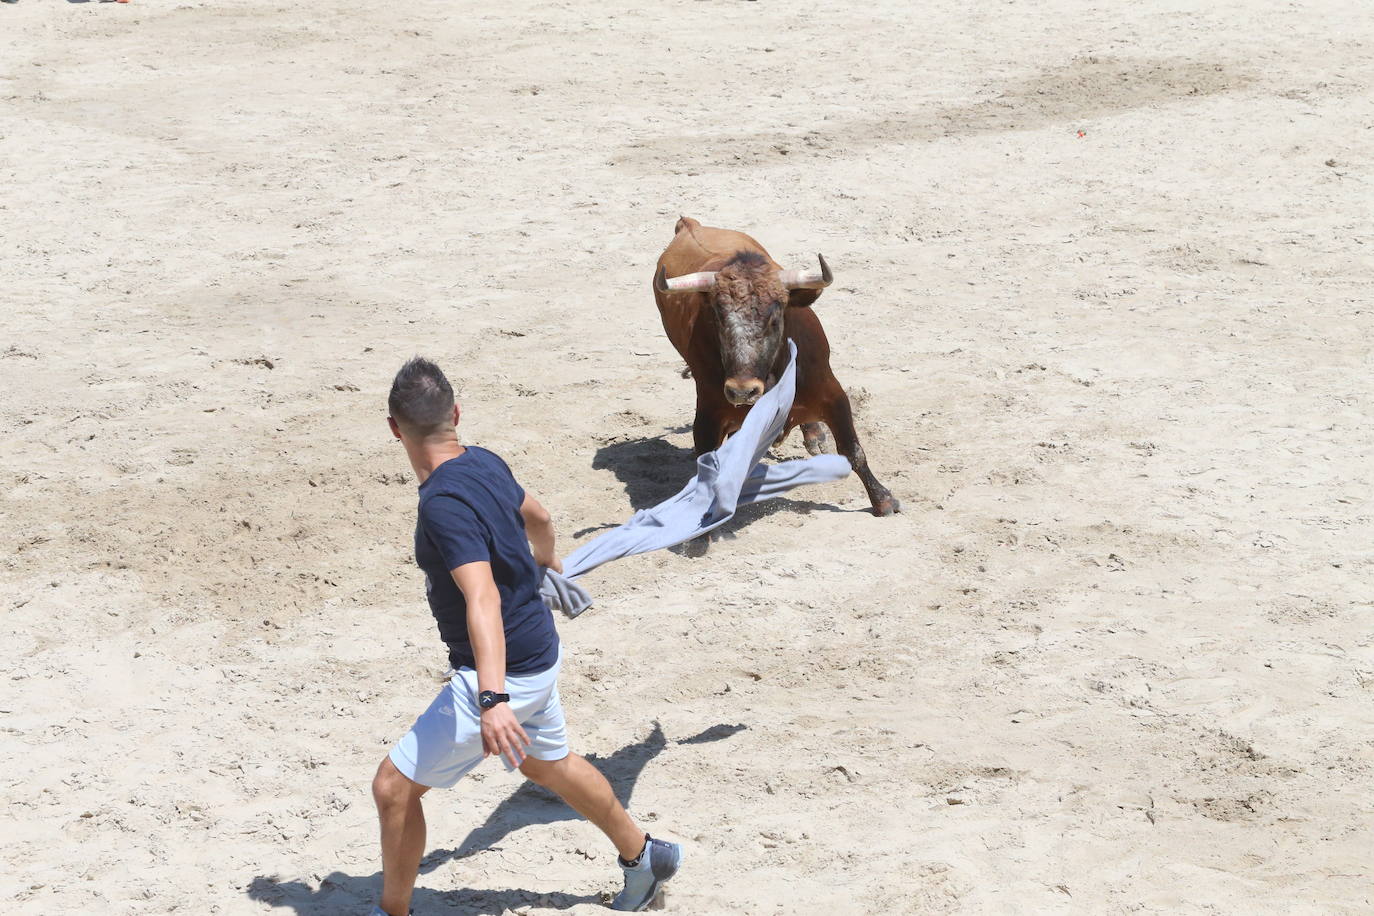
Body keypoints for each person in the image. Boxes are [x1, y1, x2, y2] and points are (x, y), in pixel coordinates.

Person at [369, 357, 681, 916]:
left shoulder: (441, 503)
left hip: (502, 670)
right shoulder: (485, 461)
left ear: (394, 428)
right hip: (538, 648)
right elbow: (538, 515)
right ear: (456, 415)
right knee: (547, 764)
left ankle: (394, 913)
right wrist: (549, 566)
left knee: (394, 788)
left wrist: (492, 700)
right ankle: (645, 855)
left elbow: (481, 597)